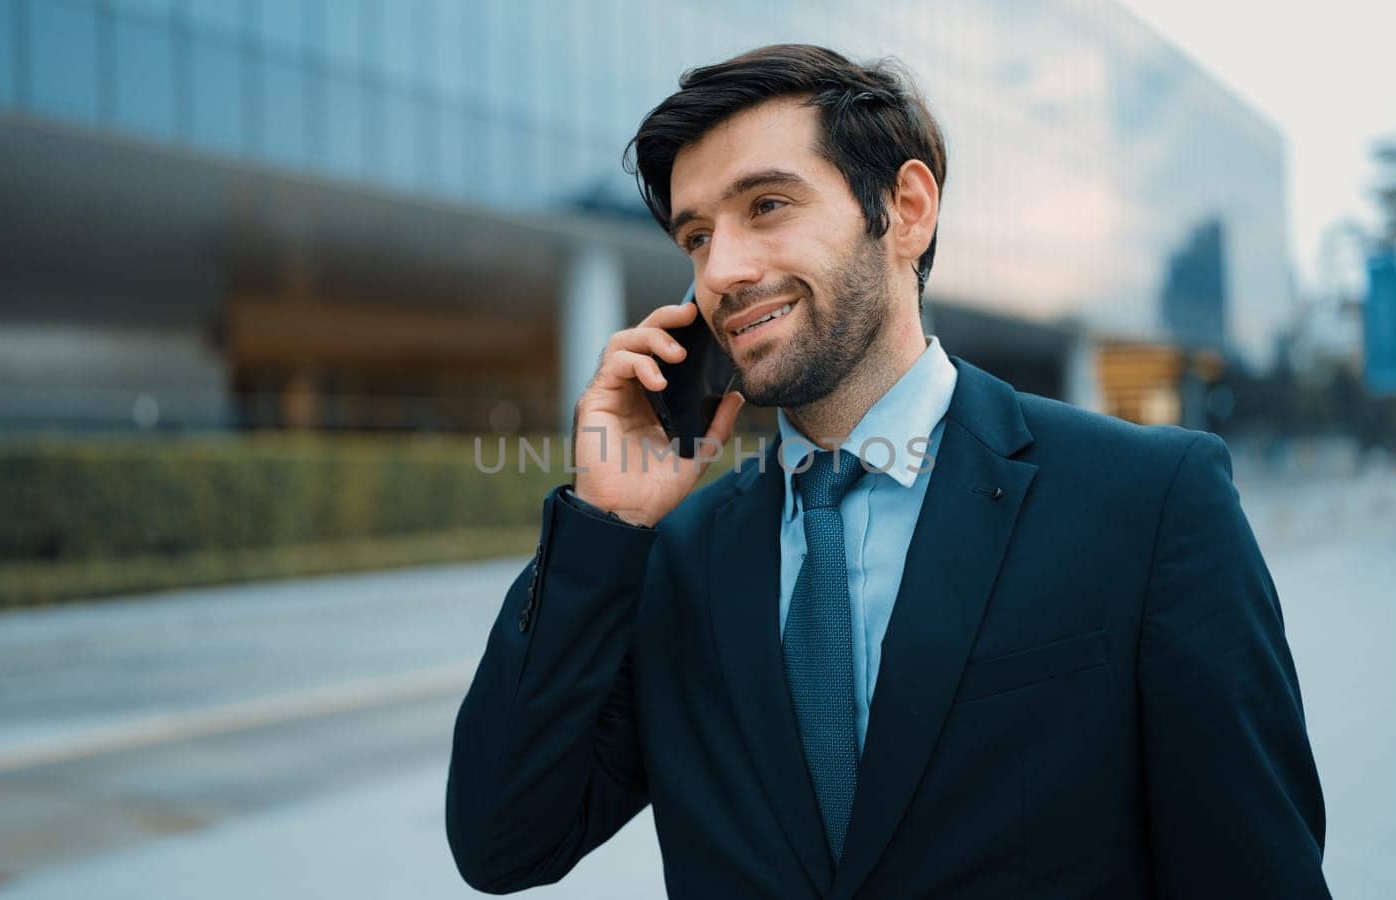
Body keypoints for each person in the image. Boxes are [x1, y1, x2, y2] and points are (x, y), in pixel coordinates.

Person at [447, 44, 1330, 899]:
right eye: (697, 235)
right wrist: (602, 527)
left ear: (906, 209)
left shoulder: (1148, 502)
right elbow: (503, 841)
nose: (722, 271)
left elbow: (1254, 868)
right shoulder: (678, 558)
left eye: (766, 206)